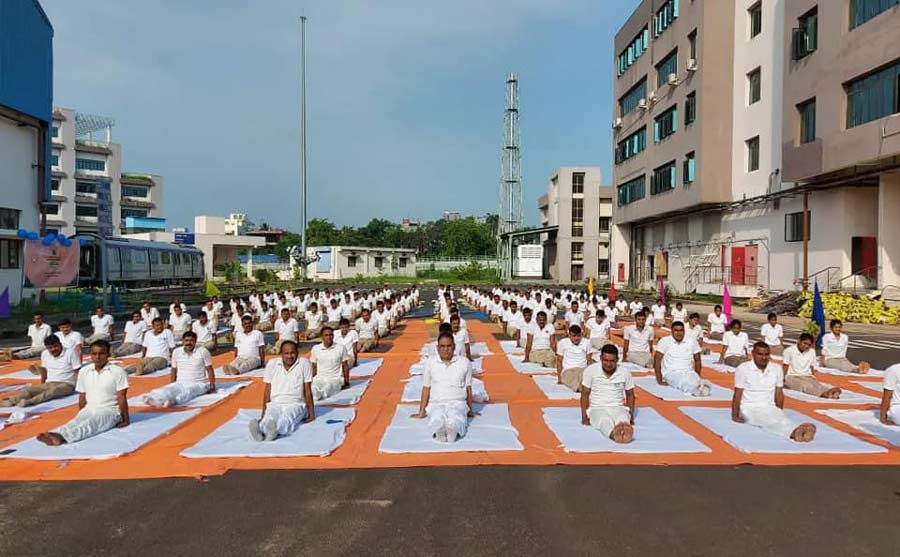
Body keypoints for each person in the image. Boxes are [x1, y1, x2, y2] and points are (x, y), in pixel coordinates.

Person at [37, 340, 129, 446]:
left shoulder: (118, 372)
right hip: (90, 408)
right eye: (94, 354)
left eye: (101, 353)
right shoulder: (84, 371)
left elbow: (122, 397)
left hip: (111, 411)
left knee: (91, 424)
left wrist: (125, 419)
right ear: (90, 355)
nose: (97, 357)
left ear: (108, 354)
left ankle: (61, 437)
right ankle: (57, 433)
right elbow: (82, 397)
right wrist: (81, 413)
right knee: (76, 422)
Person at [731, 342, 817, 442]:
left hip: (769, 406)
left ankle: (799, 431)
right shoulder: (743, 369)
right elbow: (737, 393)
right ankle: (793, 434)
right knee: (767, 421)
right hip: (750, 408)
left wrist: (779, 410)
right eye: (760, 354)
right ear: (753, 353)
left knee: (781, 419)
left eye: (767, 354)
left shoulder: (776, 369)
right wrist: (735, 415)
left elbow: (779, 393)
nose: (764, 357)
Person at [411, 332, 476, 443]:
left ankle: (453, 430)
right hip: (436, 402)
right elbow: (426, 388)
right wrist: (421, 412)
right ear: (437, 348)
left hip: (458, 402)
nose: (446, 349)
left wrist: (470, 410)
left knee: (457, 416)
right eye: (442, 346)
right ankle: (439, 430)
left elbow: (468, 388)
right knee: (437, 416)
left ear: (454, 347)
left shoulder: (464, 363)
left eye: (449, 346)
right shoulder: (430, 362)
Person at [250, 340, 315, 441]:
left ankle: (275, 431)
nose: (290, 356)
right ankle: (261, 430)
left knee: (287, 419)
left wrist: (311, 414)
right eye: (286, 353)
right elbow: (267, 391)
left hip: (296, 404)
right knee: (269, 417)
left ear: (297, 353)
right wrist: (263, 414)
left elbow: (307, 390)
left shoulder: (304, 363)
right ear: (281, 354)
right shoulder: (272, 364)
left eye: (292, 353)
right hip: (275, 403)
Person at [2, 335, 79, 408]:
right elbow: (44, 370)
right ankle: (11, 401)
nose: (53, 349)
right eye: (50, 348)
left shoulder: (70, 352)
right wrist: (42, 383)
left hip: (67, 384)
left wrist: (82, 387)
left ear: (60, 344)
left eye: (55, 346)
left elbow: (77, 371)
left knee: (51, 392)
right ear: (46, 348)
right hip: (50, 382)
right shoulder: (45, 354)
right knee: (29, 390)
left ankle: (30, 402)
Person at [142, 331, 215, 407]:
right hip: (181, 382)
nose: (189, 343)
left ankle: (175, 401)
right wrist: (172, 384)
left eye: (191, 340)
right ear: (183, 341)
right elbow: (174, 369)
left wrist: (212, 386)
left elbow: (209, 369)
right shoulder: (176, 352)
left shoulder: (203, 351)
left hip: (198, 383)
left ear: (195, 341)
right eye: (186, 340)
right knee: (166, 389)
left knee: (189, 391)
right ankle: (153, 398)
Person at [580, 344, 635, 444]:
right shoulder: (590, 370)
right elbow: (585, 394)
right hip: (598, 408)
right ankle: (614, 435)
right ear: (600, 358)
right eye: (606, 360)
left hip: (618, 407)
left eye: (612, 361)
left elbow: (630, 394)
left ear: (617, 359)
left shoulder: (624, 372)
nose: (609, 364)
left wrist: (630, 415)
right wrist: (584, 416)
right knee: (604, 421)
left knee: (622, 419)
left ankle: (625, 431)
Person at [654, 321, 711, 397]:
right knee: (682, 382)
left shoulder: (692, 341)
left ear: (684, 331)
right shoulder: (664, 341)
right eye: (676, 330)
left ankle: (699, 386)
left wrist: (698, 375)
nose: (679, 333)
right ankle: (695, 390)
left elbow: (698, 360)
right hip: (671, 372)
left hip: (688, 371)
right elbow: (657, 360)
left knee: (695, 380)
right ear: (672, 331)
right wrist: (659, 379)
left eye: (681, 330)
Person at [782, 333, 841, 399]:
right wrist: (783, 380)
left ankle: (831, 392)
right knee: (805, 385)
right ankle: (823, 394)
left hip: (807, 376)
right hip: (792, 376)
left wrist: (813, 377)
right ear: (799, 341)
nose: (806, 346)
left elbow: (812, 366)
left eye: (809, 345)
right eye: (805, 343)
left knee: (817, 385)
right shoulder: (789, 351)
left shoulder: (812, 351)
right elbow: (785, 366)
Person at [309, 326, 350, 401]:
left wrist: (346, 381)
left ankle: (319, 395)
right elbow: (314, 366)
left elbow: (345, 366)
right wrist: (312, 379)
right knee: (313, 387)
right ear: (322, 337)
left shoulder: (341, 348)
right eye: (326, 335)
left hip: (335, 378)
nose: (329, 337)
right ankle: (316, 394)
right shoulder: (316, 348)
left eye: (331, 335)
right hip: (320, 378)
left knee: (328, 387)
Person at [556, 325, 592, 392]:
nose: (576, 338)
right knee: (572, 380)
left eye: (578, 336)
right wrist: (559, 378)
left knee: (586, 379)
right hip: (568, 370)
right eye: (574, 336)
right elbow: (559, 361)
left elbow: (589, 360)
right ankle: (581, 388)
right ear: (569, 335)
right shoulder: (562, 343)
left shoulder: (587, 342)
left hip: (582, 369)